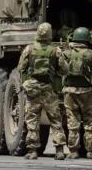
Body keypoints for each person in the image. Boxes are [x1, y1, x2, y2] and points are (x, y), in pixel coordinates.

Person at [17, 22, 67, 160]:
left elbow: (21, 68)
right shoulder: (55, 50)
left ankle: (32, 151)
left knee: (32, 120)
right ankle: (59, 150)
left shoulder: (29, 49)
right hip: (49, 89)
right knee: (56, 120)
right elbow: (64, 70)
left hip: (33, 89)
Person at [60, 27, 92, 159]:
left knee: (72, 121)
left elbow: (59, 68)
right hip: (87, 92)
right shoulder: (91, 54)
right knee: (90, 122)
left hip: (69, 91)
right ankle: (91, 151)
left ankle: (73, 151)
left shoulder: (66, 53)